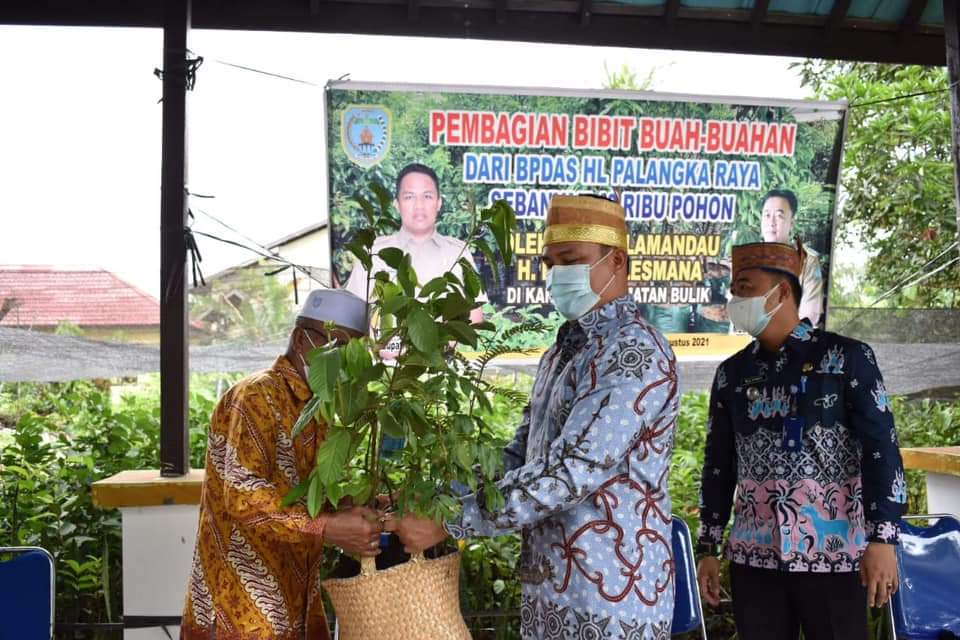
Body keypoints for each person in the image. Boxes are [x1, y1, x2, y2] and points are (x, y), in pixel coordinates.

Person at [387, 195, 679, 639]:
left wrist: (451, 521)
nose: (557, 274)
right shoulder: (562, 351)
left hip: (614, 600)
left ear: (617, 261)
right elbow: (519, 458)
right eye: (550, 262)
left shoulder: (635, 352)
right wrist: (437, 498)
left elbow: (571, 470)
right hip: (551, 592)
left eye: (571, 259)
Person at [696, 242, 905, 640]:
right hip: (754, 559)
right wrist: (709, 546)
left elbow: (881, 448)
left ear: (782, 292)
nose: (735, 298)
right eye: (735, 290)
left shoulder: (846, 358)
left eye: (744, 287)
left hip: (835, 556)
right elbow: (719, 463)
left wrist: (883, 539)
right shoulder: (732, 374)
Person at [180, 289, 388, 640]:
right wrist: (327, 528)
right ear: (299, 338)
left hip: (298, 603)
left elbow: (309, 499)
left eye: (352, 350)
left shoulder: (319, 409)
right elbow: (244, 497)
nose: (341, 360)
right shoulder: (255, 396)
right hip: (241, 611)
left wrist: (368, 507)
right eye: (333, 344)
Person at [342, 162, 485, 324]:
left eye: (427, 196)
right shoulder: (372, 253)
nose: (419, 205)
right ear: (397, 204)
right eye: (409, 197)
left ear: (439, 203)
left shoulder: (459, 253)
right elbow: (351, 318)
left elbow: (475, 319)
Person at [760, 189, 824, 327]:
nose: (772, 222)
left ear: (792, 223)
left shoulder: (808, 262)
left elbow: (810, 316)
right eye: (766, 215)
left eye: (779, 216)